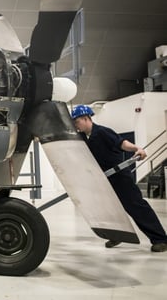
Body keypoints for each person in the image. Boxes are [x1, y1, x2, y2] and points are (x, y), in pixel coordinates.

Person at [71, 105, 167, 252]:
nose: (76, 125)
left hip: (119, 177)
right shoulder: (84, 137)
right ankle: (118, 235)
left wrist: (137, 149)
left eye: (77, 121)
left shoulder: (102, 132)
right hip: (104, 179)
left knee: (136, 206)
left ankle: (160, 239)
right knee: (108, 209)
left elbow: (122, 143)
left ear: (86, 118)